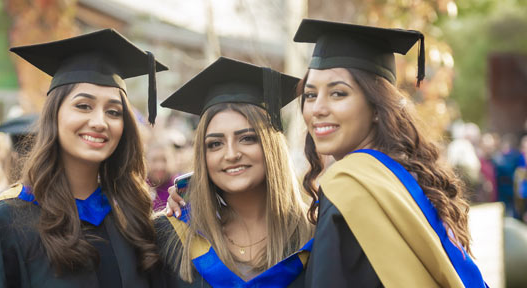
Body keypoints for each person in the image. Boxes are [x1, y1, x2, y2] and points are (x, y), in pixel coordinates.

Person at [0, 29, 168, 288]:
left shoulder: (132, 222)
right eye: (83, 106)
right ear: (54, 114)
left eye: (113, 111)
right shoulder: (0, 224)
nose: (99, 122)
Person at [293, 19, 487, 287]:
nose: (317, 109)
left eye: (338, 93)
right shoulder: (409, 181)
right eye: (311, 95)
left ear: (376, 106)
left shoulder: (348, 185)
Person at [157, 57, 313, 287]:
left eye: (247, 138)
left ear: (271, 147)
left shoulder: (315, 236)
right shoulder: (172, 240)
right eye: (215, 144)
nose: (231, 154)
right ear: (203, 157)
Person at [146, 142, 179, 211]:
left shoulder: (181, 186)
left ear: (174, 161)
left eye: (164, 160)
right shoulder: (139, 188)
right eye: (154, 160)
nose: (159, 166)